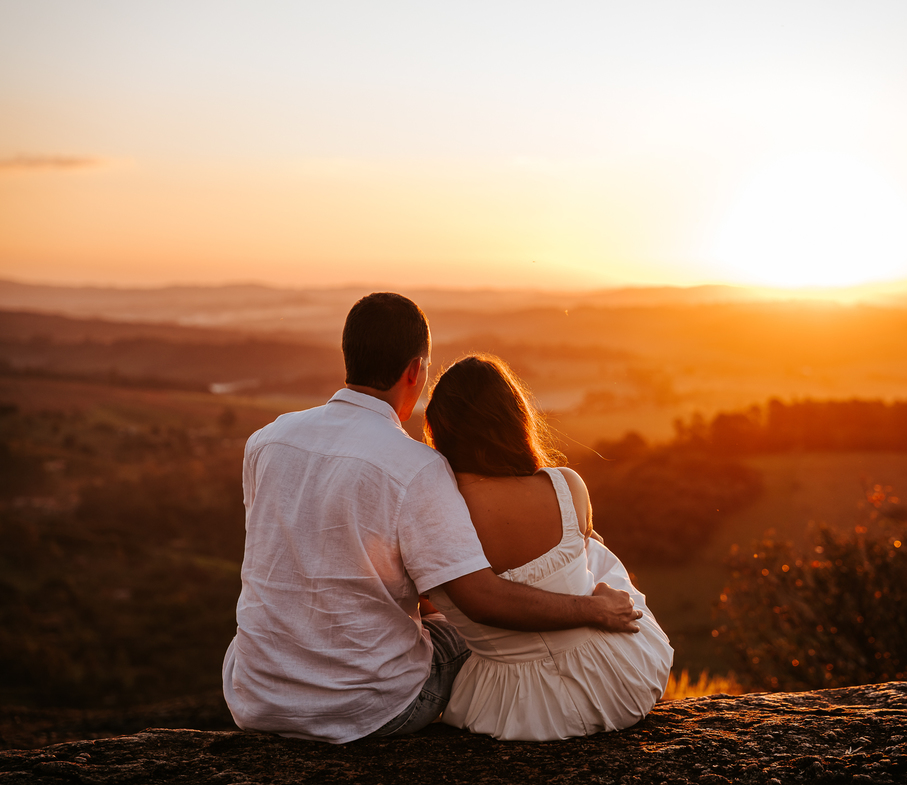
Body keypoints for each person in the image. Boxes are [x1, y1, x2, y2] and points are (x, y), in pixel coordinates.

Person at [222, 293, 641, 744]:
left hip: (256, 696)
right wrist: (590, 609)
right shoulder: (416, 467)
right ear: (415, 371)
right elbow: (481, 600)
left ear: (350, 356)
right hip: (368, 710)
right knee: (474, 638)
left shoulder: (267, 441)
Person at [423, 354, 673, 741]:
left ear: (441, 429)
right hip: (616, 683)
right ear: (514, 420)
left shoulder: (439, 514)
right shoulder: (566, 485)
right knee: (592, 547)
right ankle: (600, 595)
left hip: (506, 708)